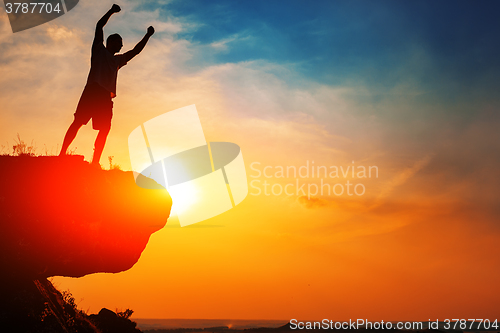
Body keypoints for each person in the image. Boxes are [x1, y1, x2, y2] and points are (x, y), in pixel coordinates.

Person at [59, 4, 154, 166]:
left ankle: (95, 162)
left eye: (122, 44)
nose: (121, 46)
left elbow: (135, 51)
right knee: (77, 123)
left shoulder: (118, 61)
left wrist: (148, 36)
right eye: (119, 42)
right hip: (92, 92)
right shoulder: (98, 50)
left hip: (105, 97)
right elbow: (98, 26)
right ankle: (61, 154)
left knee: (105, 129)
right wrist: (111, 11)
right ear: (110, 42)